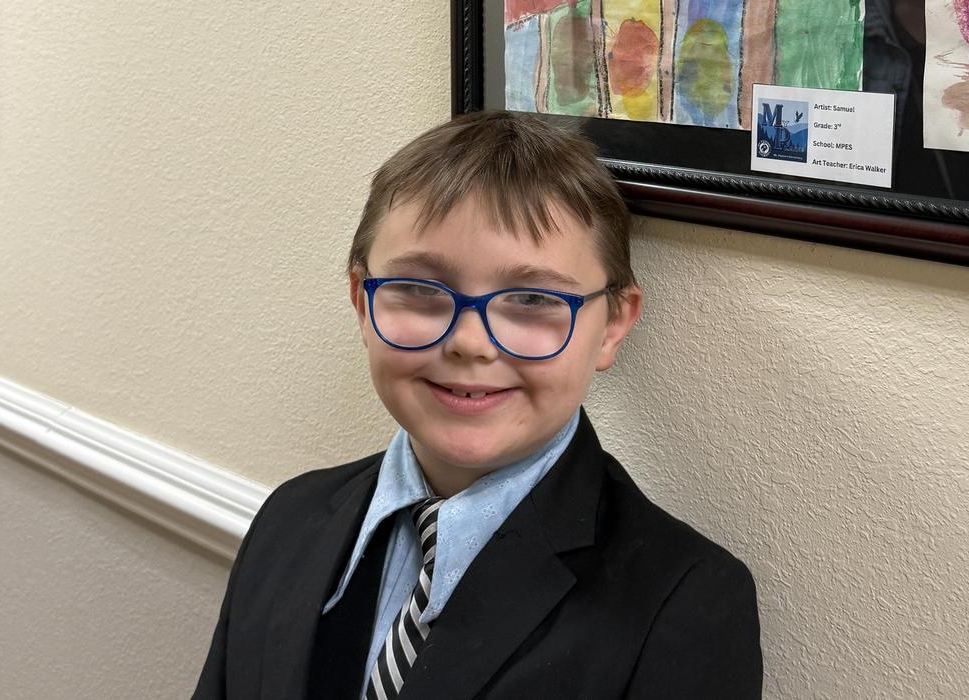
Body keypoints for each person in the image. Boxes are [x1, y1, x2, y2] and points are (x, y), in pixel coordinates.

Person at [192, 110, 762, 699]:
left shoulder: (683, 604)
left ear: (613, 324)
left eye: (533, 298)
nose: (470, 343)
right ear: (363, 303)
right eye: (417, 289)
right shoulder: (288, 519)